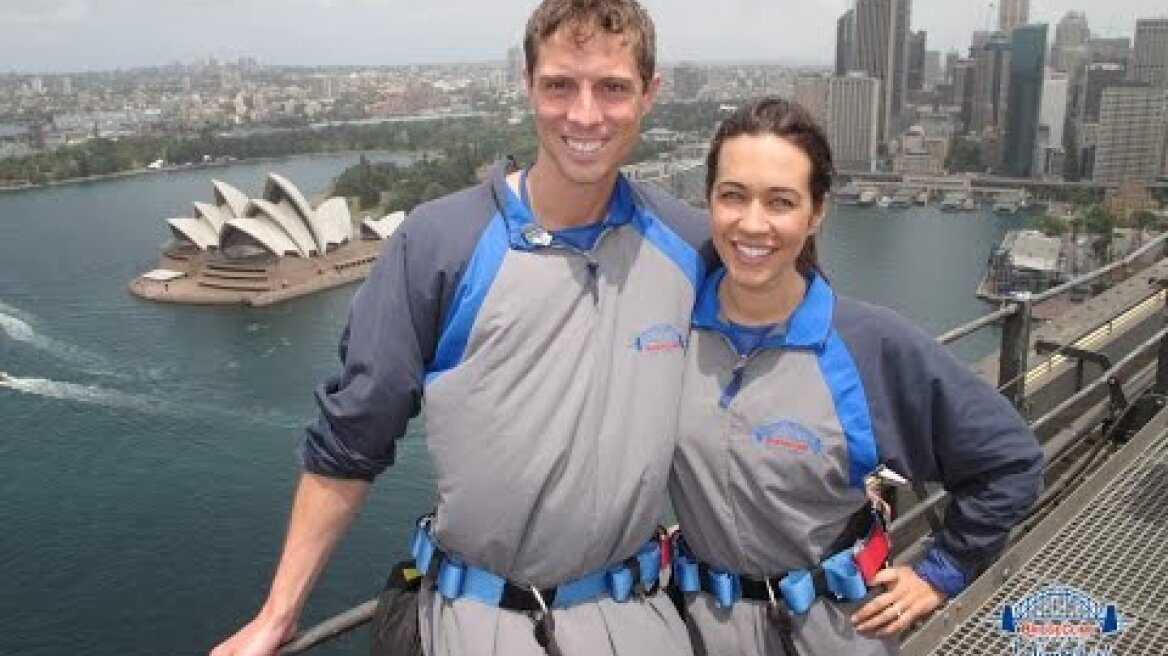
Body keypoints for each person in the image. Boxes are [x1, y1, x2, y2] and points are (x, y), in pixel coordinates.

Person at [210, 1, 711, 656]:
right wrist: (279, 613)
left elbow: (779, 365)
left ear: (650, 93)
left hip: (639, 622)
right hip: (476, 625)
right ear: (527, 86)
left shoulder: (689, 245)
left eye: (613, 88)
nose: (585, 115)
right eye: (560, 85)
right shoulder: (441, 243)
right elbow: (354, 432)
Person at [667, 97, 1043, 656]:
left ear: (817, 212)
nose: (753, 223)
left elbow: (1009, 460)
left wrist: (940, 571)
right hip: (700, 631)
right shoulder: (670, 332)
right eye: (733, 196)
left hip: (833, 631)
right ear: (708, 201)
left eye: (781, 201)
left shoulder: (868, 345)